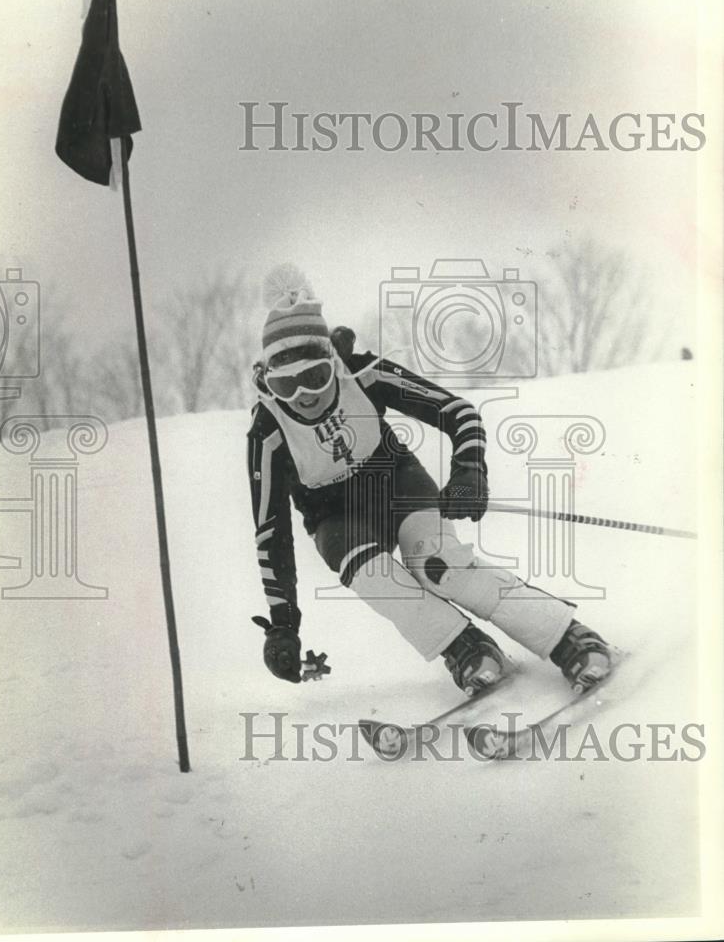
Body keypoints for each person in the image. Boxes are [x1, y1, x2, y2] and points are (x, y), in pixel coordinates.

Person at [247, 271, 611, 693]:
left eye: (315, 377)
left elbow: (459, 413)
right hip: (334, 516)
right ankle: (467, 650)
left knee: (439, 566)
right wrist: (283, 625)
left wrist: (469, 470)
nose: (303, 396)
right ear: (269, 383)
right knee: (374, 577)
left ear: (333, 363)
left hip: (396, 484)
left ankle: (567, 637)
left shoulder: (362, 375)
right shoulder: (268, 431)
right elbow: (271, 532)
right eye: (285, 385)